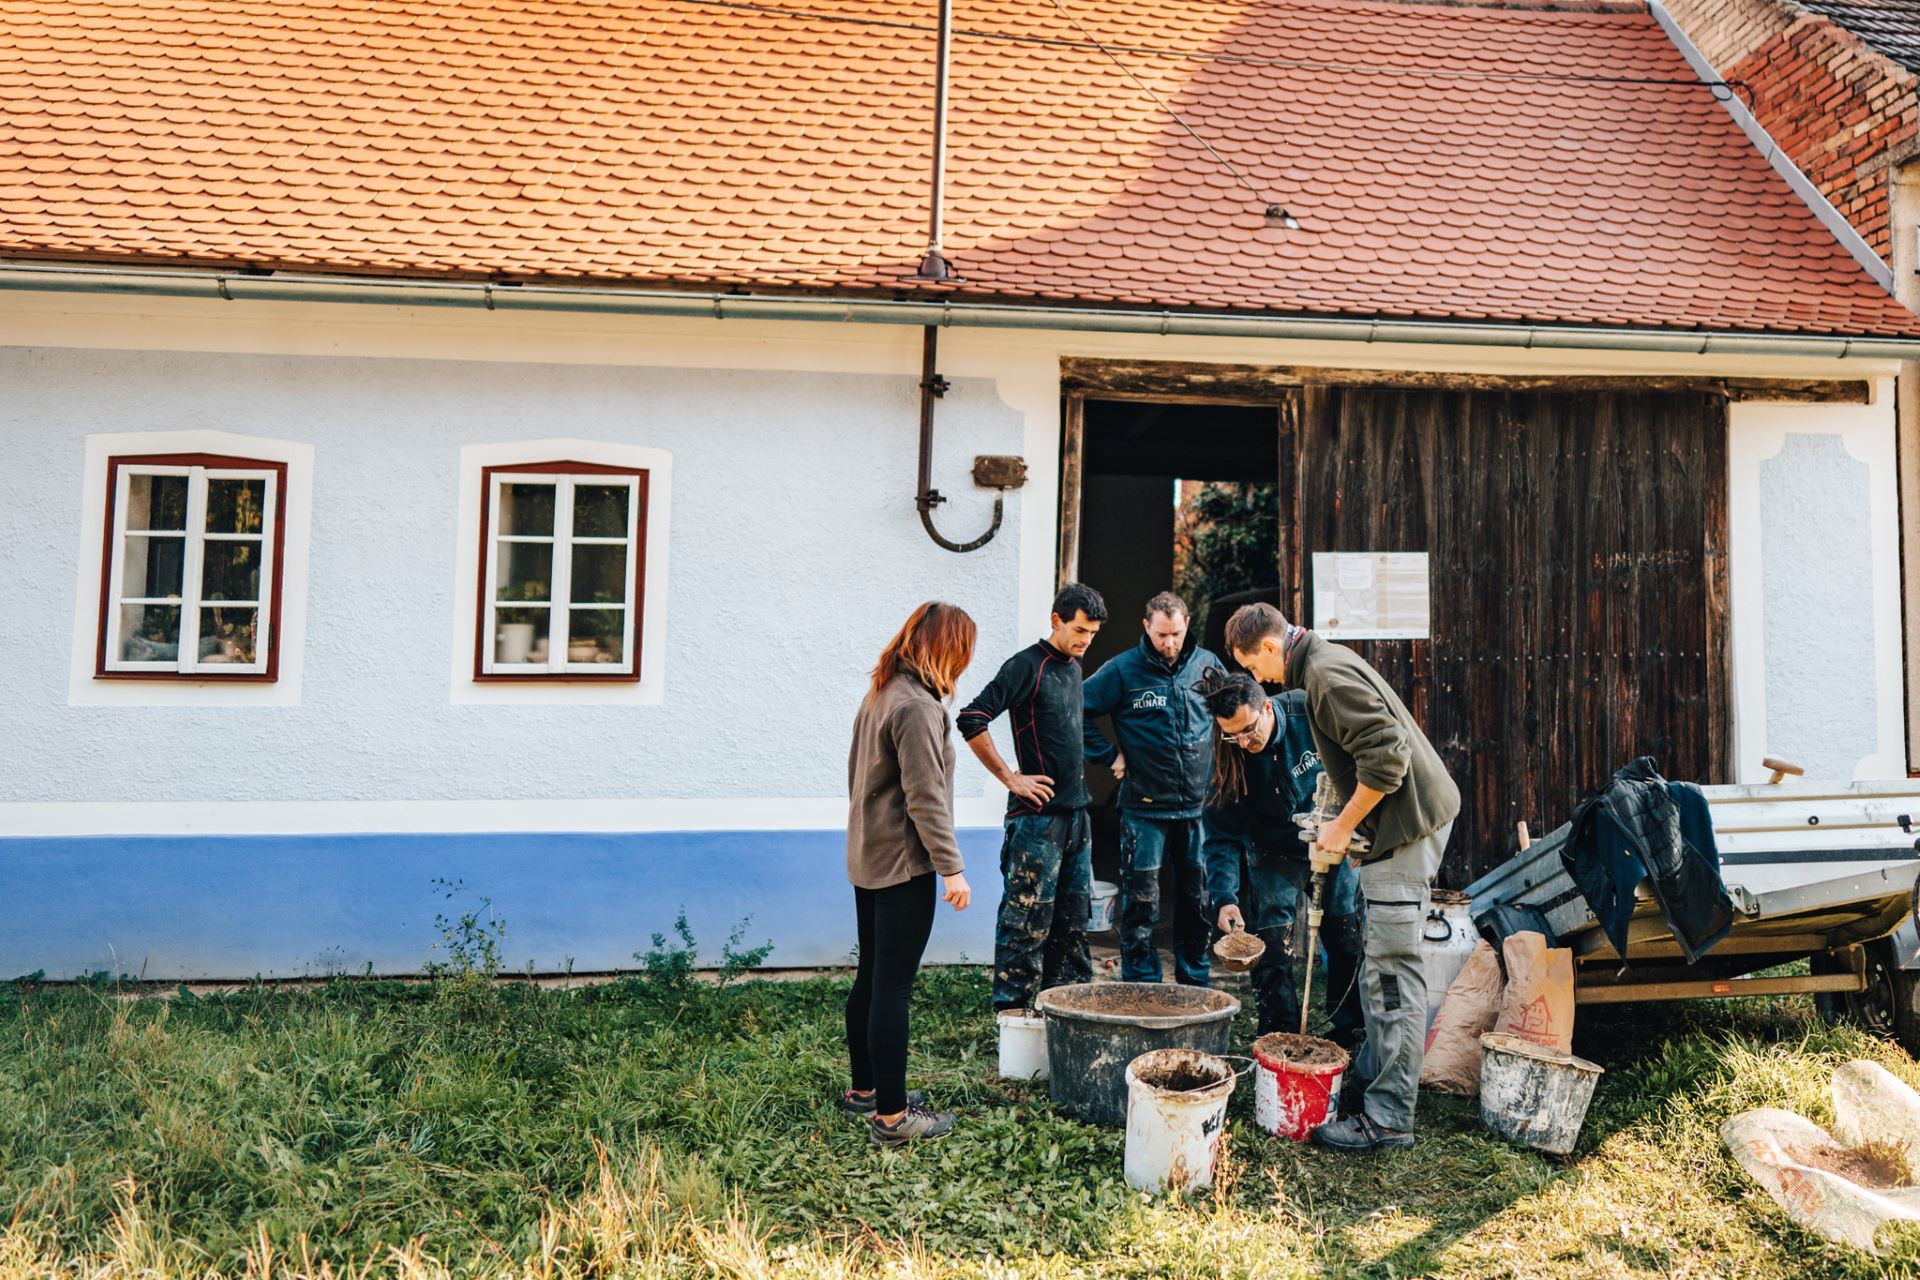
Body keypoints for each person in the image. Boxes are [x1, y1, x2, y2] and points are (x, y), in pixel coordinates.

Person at [1226, 602, 1460, 1153]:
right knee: (1380, 972)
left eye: (1252, 667)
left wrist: (1344, 827)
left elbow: (1386, 755)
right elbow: (1350, 760)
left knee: (1393, 978)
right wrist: (1337, 817)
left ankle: (1388, 1118)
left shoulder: (1324, 677)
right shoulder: (1318, 669)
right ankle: (1371, 1085)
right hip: (1395, 828)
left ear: (1266, 647)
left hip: (1408, 829)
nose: (1257, 680)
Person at [844, 601, 977, 1146]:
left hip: (868, 857)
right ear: (945, 650)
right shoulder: (916, 707)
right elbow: (925, 799)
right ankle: (894, 1119)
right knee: (892, 988)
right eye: (962, 653)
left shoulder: (883, 690)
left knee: (872, 977)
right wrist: (953, 870)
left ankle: (866, 1090)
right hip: (902, 864)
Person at [958, 583, 1107, 1011]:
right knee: (1026, 922)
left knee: (1075, 922)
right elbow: (972, 717)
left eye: (1093, 633)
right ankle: (1013, 1018)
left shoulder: (1075, 669)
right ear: (1056, 621)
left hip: (1078, 816)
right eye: (1080, 630)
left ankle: (1068, 1013)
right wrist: (1011, 778)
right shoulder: (1027, 666)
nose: (1085, 640)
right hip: (1035, 820)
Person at [1196, 668, 1365, 1044]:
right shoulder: (1228, 756)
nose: (1243, 741)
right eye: (1232, 733)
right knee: (1272, 946)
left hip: (1330, 838)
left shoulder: (1311, 713)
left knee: (1346, 937)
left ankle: (1349, 1028)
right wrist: (1224, 898)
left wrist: (1355, 825)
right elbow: (1220, 835)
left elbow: (1362, 760)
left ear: (1268, 708)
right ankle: (1278, 1035)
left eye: (1250, 729)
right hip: (1272, 851)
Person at [1082, 590, 1224, 986]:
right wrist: (1109, 754)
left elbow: (1233, 715)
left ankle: (1195, 980)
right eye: (1162, 634)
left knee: (1197, 899)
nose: (1170, 643)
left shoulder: (1207, 666)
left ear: (1186, 625)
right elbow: (1075, 708)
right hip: (1144, 809)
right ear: (1147, 627)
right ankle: (1141, 982)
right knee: (1143, 900)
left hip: (1198, 808)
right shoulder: (1123, 670)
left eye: (1176, 633)